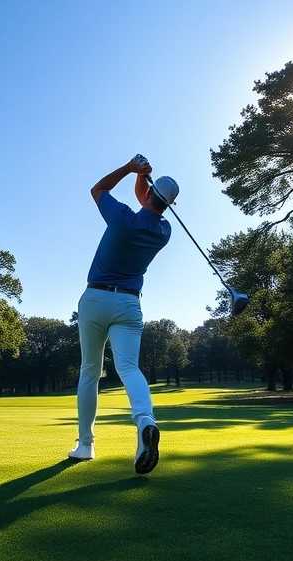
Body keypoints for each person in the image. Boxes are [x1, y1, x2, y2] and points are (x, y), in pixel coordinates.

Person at [68, 154, 178, 475]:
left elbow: (98, 189)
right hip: (130, 305)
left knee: (90, 371)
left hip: (96, 298)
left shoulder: (122, 218)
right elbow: (146, 200)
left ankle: (85, 445)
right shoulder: (164, 231)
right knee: (129, 368)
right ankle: (146, 423)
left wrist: (132, 169)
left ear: (148, 195)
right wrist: (142, 177)